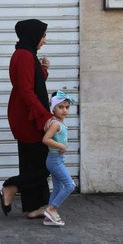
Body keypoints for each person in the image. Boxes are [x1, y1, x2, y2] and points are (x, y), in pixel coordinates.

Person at [0, 19, 54, 219]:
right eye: (43, 35)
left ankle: (34, 206)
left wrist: (42, 71)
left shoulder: (27, 54)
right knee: (44, 162)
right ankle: (12, 186)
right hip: (27, 117)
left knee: (32, 162)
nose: (44, 40)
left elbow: (31, 83)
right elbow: (27, 92)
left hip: (27, 114)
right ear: (33, 35)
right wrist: (46, 117)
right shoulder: (23, 55)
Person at [41, 90, 76, 226]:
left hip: (57, 159)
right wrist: (61, 146)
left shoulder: (59, 122)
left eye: (67, 107)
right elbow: (45, 139)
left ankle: (48, 219)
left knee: (57, 188)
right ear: (53, 108)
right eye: (60, 107)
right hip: (54, 160)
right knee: (70, 185)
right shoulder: (55, 123)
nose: (64, 110)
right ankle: (52, 209)